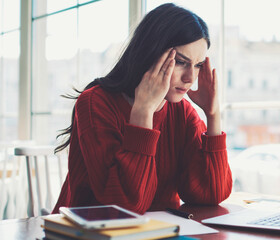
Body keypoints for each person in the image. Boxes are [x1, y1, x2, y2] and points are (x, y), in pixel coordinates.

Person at [52, 3, 232, 215]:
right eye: (181, 62)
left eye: (198, 65)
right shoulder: (94, 103)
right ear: (150, 53)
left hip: (162, 232)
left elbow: (211, 194)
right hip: (91, 232)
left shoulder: (182, 111)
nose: (190, 78)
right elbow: (126, 206)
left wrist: (213, 116)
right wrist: (143, 111)